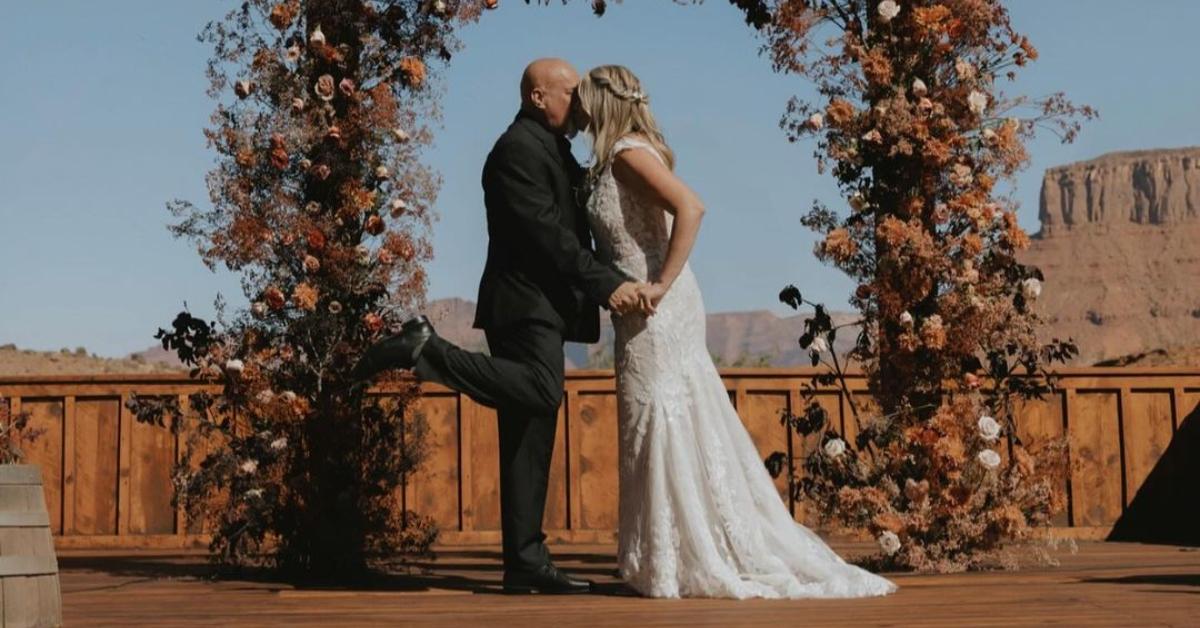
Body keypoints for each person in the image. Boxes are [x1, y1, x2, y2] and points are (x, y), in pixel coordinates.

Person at [573, 64, 897, 599]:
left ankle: (681, 554)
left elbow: (691, 208)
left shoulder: (630, 153)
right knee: (649, 418)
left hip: (657, 306)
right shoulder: (617, 156)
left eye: (585, 99)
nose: (580, 109)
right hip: (637, 310)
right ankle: (662, 551)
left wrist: (660, 282)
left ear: (603, 102)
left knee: (660, 415)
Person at [350, 58, 646, 595]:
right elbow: (548, 237)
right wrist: (607, 284)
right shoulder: (516, 151)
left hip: (543, 305)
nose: (578, 103)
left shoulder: (554, 148)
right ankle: (425, 350)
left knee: (529, 434)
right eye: (570, 93)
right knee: (540, 390)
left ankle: (525, 562)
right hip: (523, 303)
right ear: (539, 97)